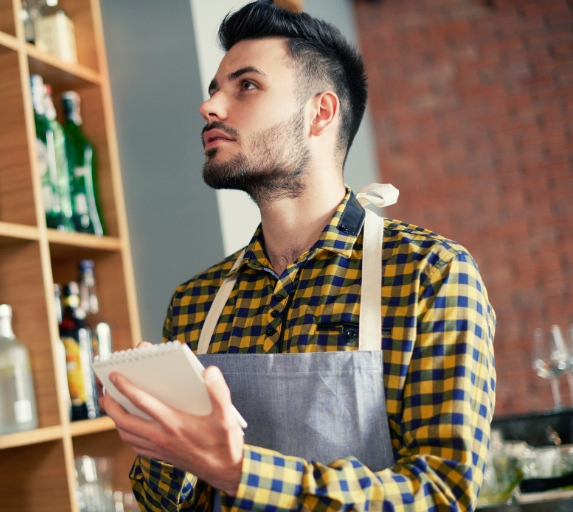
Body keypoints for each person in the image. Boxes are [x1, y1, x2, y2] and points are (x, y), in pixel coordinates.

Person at [101, 1, 496, 510]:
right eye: (213, 90)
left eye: (245, 86)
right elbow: (163, 503)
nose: (210, 107)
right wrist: (162, 429)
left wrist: (238, 469)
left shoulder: (432, 275)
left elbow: (443, 495)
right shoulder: (196, 302)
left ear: (320, 113)